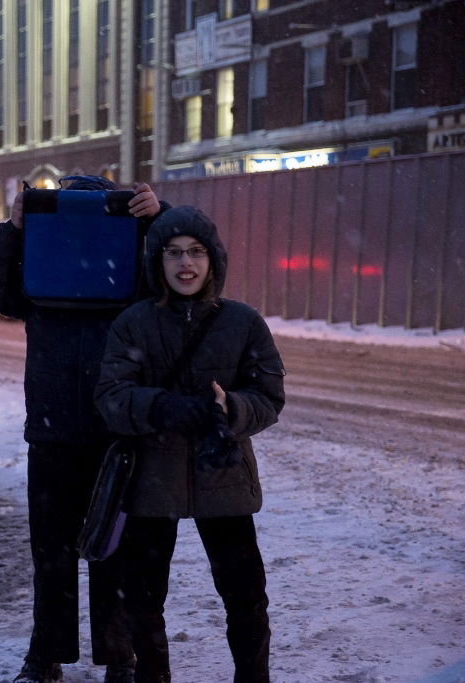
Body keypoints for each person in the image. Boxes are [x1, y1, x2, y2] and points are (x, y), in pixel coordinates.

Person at [0, 175, 169, 683]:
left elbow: (177, 283)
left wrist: (155, 220)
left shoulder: (130, 279)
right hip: (53, 433)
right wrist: (14, 227)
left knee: (113, 549)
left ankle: (118, 656)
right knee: (52, 554)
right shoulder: (40, 279)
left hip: (113, 436)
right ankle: (47, 656)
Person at [93, 205, 286, 683]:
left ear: (212, 259)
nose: (186, 264)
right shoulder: (133, 323)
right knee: (142, 597)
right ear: (157, 262)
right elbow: (110, 397)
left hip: (222, 474)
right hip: (151, 481)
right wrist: (160, 407)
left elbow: (270, 396)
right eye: (174, 253)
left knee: (245, 595)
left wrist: (233, 410)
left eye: (196, 252)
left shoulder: (242, 322)